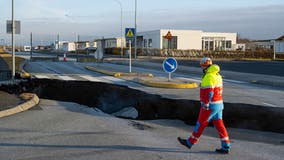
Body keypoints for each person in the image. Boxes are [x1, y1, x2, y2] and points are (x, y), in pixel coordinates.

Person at [178, 57, 231, 154]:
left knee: (200, 124)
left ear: (206, 67)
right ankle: (226, 146)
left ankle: (190, 142)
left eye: (202, 66)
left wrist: (206, 104)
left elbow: (208, 92)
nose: (202, 69)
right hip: (219, 104)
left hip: (210, 105)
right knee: (220, 125)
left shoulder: (208, 76)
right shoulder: (217, 75)